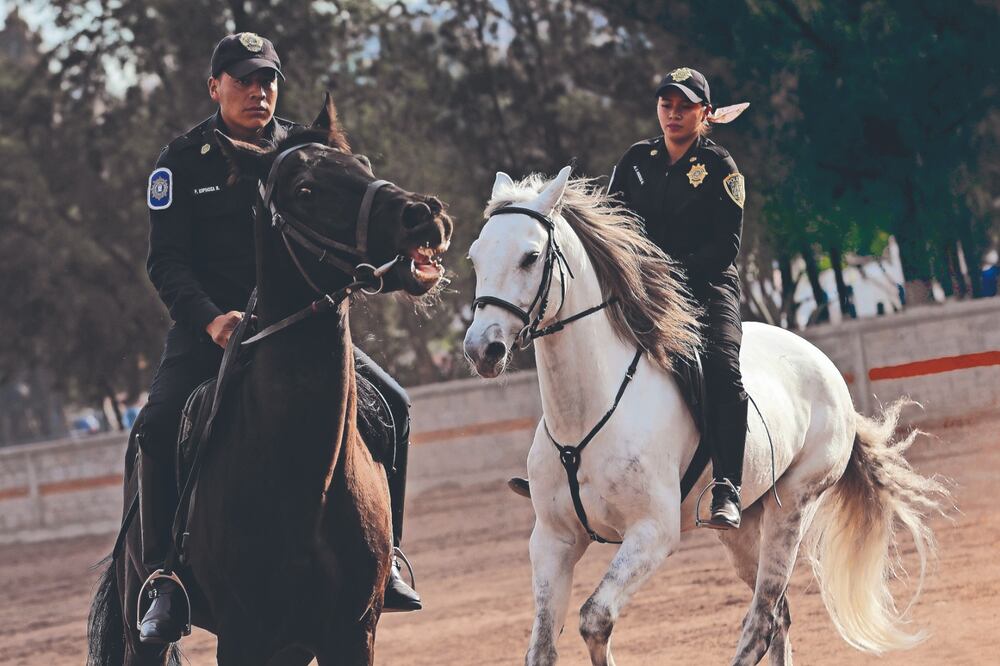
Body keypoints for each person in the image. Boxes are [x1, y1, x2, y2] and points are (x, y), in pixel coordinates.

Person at [138, 33, 420, 645]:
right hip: (213, 332)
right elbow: (167, 264)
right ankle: (163, 575)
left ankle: (388, 556)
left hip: (303, 328)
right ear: (214, 87)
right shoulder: (180, 163)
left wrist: (401, 264)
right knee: (156, 427)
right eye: (242, 79)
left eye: (267, 79)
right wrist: (212, 319)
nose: (257, 91)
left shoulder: (308, 150)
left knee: (394, 406)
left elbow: (355, 231)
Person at [508, 68, 749, 531]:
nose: (673, 114)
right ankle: (556, 468)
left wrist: (667, 272)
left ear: (705, 113)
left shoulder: (722, 168)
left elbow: (726, 247)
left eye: (684, 107)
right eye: (666, 105)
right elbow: (613, 226)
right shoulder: (637, 159)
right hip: (641, 289)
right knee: (579, 348)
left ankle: (728, 485)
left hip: (705, 288)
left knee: (723, 369)